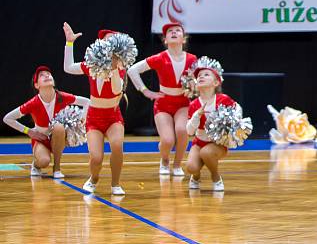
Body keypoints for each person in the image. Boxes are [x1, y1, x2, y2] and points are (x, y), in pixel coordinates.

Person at [63, 22, 127, 195]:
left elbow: (116, 90)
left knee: (117, 145)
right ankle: (94, 179)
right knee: (96, 157)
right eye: (107, 39)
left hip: (113, 116)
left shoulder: (120, 68)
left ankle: (115, 184)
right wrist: (69, 43)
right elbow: (68, 68)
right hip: (94, 118)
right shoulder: (90, 66)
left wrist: (113, 69)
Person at [127, 22, 197, 177]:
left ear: (183, 39)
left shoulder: (192, 59)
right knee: (167, 140)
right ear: (165, 40)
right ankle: (165, 160)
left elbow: (197, 80)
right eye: (169, 31)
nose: (173, 32)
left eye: (177, 31)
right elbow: (132, 70)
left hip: (183, 103)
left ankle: (177, 164)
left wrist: (193, 89)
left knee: (182, 130)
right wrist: (145, 91)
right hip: (163, 103)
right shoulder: (160, 58)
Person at [3, 66, 89, 178]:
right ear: (36, 85)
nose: (47, 75)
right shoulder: (33, 103)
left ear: (53, 82)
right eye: (41, 75)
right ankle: (36, 164)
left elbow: (87, 102)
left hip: (58, 137)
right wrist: (29, 132)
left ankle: (57, 168)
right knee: (44, 161)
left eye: (48, 73)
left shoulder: (62, 97)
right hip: (40, 139)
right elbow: (7, 118)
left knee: (58, 127)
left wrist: (83, 118)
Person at [185, 58, 241, 192]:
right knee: (191, 167)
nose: (201, 77)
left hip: (218, 144)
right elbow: (189, 131)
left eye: (206, 74)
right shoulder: (194, 105)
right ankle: (196, 176)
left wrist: (234, 121)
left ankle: (216, 178)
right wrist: (196, 116)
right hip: (199, 142)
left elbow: (238, 109)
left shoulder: (223, 100)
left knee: (207, 153)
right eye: (199, 76)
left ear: (216, 82)